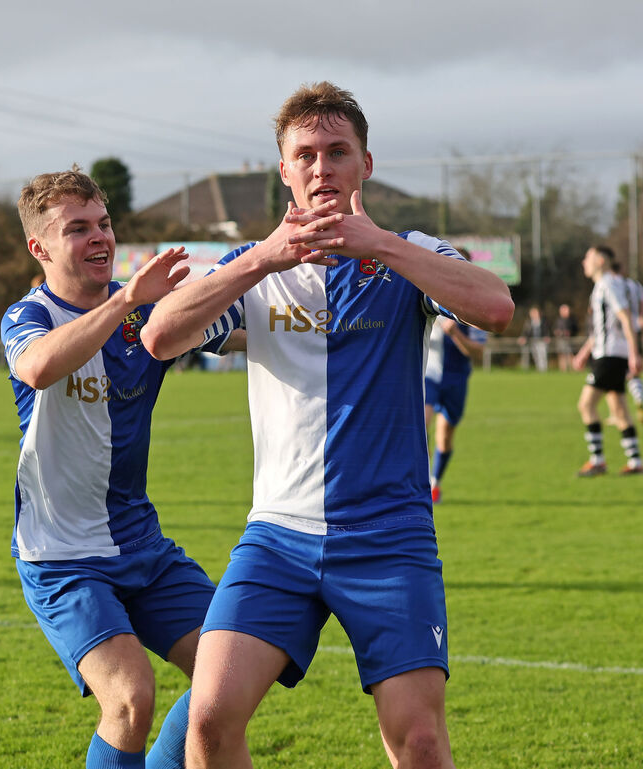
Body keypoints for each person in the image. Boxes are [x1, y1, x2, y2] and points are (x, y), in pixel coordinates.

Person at [140, 82, 514, 769]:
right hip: (278, 537)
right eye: (305, 155)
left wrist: (381, 243)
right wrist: (262, 258)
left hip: (389, 536)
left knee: (421, 741)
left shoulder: (409, 253)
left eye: (337, 151)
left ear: (365, 163)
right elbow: (160, 336)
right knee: (210, 719)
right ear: (283, 169)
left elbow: (496, 306)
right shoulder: (255, 269)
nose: (321, 168)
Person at [3, 168, 240, 769]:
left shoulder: (148, 313)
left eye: (103, 223)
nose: (98, 238)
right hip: (61, 556)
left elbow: (246, 333)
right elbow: (38, 368)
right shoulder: (27, 317)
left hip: (143, 545)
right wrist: (129, 299)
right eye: (76, 229)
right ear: (41, 247)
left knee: (231, 673)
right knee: (131, 698)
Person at [424, 251, 488, 504]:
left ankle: (435, 483)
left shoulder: (473, 302)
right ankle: (419, 483)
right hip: (427, 374)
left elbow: (478, 350)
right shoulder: (426, 289)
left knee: (445, 436)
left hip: (456, 378)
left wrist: (456, 335)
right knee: (420, 426)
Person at [572, 245, 642, 476]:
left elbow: (624, 316)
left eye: (588, 256)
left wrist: (634, 352)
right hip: (612, 354)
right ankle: (635, 462)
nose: (584, 261)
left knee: (586, 404)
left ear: (601, 260)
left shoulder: (608, 284)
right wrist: (584, 351)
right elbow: (607, 326)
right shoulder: (605, 285)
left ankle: (598, 461)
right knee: (619, 408)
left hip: (610, 355)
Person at [611, 261, 643, 413]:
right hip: (636, 329)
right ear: (622, 269)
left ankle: (618, 412)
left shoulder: (609, 284)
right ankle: (638, 395)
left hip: (617, 334)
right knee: (632, 370)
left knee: (614, 374)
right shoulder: (635, 285)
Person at [516, 305, 550, 371]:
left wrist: (547, 336)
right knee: (536, 356)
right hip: (532, 342)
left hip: (541, 341)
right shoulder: (528, 322)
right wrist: (523, 338)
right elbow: (525, 332)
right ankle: (539, 369)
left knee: (542, 356)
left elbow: (546, 331)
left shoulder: (543, 321)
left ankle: (544, 370)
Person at [554, 303, 579, 372]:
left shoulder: (572, 320)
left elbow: (576, 329)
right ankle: (563, 370)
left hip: (570, 341)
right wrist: (558, 332)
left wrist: (570, 332)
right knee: (562, 355)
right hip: (561, 340)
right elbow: (555, 329)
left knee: (571, 355)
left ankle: (573, 369)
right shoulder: (558, 320)